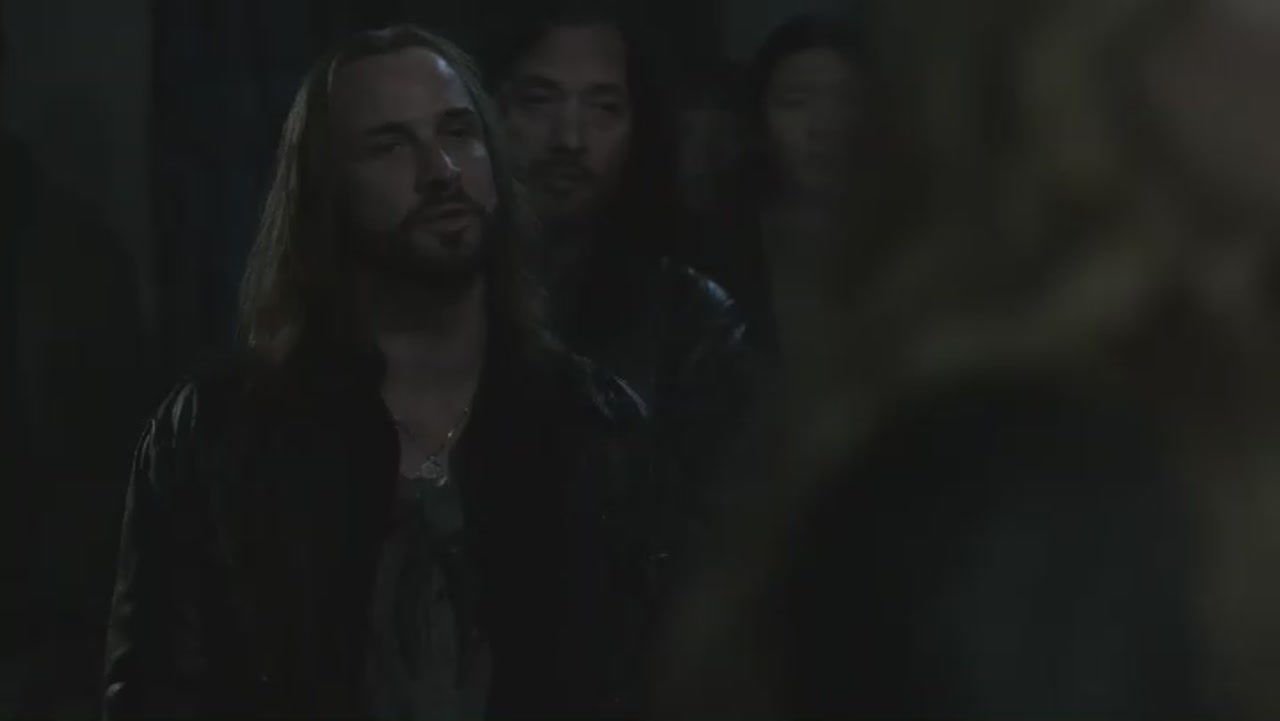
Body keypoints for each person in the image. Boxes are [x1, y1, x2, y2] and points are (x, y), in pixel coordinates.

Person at [103, 26, 656, 719]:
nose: (441, 172)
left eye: (458, 132)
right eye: (390, 145)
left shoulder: (596, 425)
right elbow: (157, 690)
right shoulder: (218, 435)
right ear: (327, 189)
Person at [486, 4, 759, 593]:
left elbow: (724, 548)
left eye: (603, 107)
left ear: (638, 127)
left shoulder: (690, 321)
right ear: (488, 110)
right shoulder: (429, 300)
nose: (569, 138)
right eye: (538, 101)